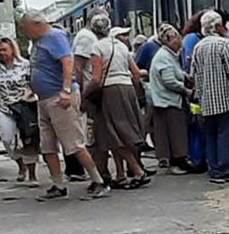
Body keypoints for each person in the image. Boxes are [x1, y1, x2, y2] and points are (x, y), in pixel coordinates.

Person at [19, 11, 104, 200]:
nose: (23, 32)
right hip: (43, 98)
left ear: (36, 24)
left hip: (59, 97)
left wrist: (66, 90)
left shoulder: (54, 37)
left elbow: (68, 62)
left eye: (25, 29)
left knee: (73, 143)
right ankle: (58, 184)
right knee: (47, 145)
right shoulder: (39, 41)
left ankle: (98, 181)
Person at [89, 14, 152, 189]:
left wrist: (85, 94)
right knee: (120, 132)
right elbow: (137, 73)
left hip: (110, 91)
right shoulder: (122, 47)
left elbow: (96, 78)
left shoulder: (97, 47)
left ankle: (137, 171)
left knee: (113, 133)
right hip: (127, 89)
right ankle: (121, 174)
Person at [188, 10, 229, 183]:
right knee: (225, 134)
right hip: (224, 98)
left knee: (210, 136)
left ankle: (214, 170)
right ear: (217, 26)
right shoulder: (223, 44)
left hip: (206, 100)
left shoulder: (198, 47)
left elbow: (193, 75)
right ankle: (226, 168)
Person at [0, 37, 38, 184]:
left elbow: (33, 83)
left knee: (28, 139)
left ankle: (32, 175)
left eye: (4, 49)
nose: (1, 53)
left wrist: (29, 95)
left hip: (24, 106)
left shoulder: (25, 65)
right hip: (5, 107)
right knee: (7, 139)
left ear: (12, 49)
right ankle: (21, 165)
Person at [146, 25, 190, 174]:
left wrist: (185, 76)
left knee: (172, 133)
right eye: (177, 37)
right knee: (174, 133)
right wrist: (186, 90)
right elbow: (169, 80)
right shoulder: (164, 57)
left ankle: (178, 161)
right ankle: (176, 162)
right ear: (169, 40)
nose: (180, 40)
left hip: (166, 100)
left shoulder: (168, 55)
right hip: (167, 101)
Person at [71, 17, 108, 184]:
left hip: (90, 92)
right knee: (92, 134)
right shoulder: (86, 38)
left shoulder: (88, 37)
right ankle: (99, 175)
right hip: (89, 94)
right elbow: (78, 67)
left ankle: (101, 172)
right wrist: (81, 95)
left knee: (96, 133)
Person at [180, 17, 205, 172]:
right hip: (194, 89)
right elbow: (190, 64)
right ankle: (198, 159)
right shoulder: (192, 39)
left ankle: (199, 158)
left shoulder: (191, 38)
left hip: (195, 87)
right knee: (197, 125)